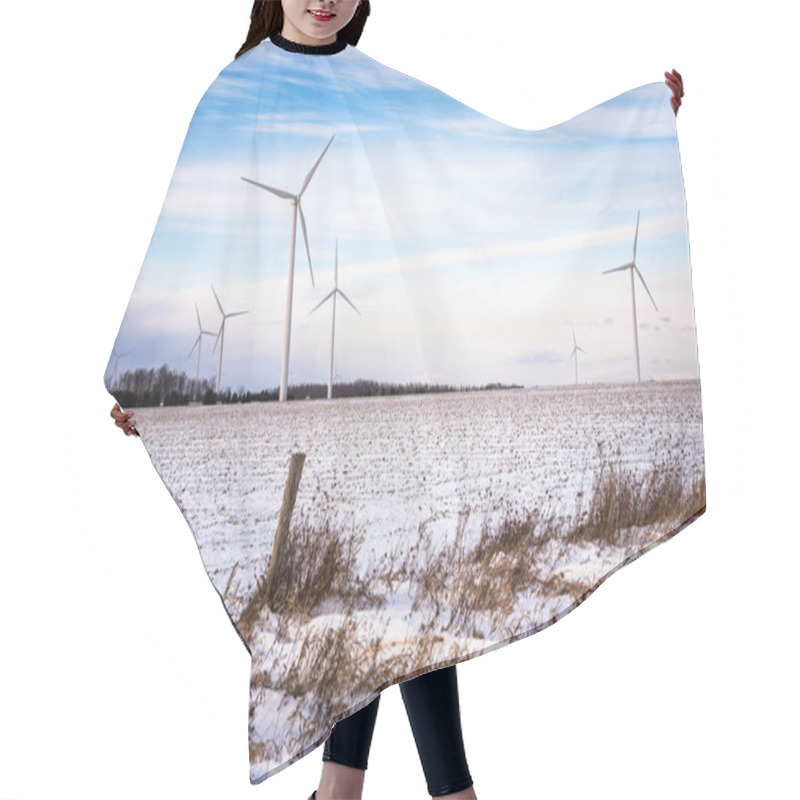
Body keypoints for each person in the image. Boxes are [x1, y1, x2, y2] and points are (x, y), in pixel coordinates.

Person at [110, 2, 685, 798]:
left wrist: (633, 129)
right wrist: (147, 381)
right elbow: (190, 251)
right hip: (296, 417)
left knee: (394, 595)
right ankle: (437, 793)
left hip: (378, 383)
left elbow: (491, 166)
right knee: (374, 602)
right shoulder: (236, 92)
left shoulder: (377, 87)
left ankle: (348, 791)